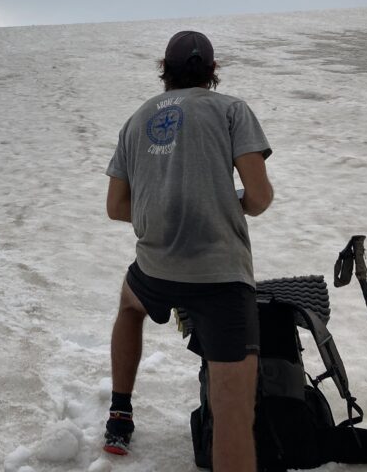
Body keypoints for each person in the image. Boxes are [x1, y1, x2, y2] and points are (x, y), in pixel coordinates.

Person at [103, 30, 273, 470]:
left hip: (155, 271)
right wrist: (225, 202)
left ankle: (120, 410)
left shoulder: (136, 120)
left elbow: (115, 207)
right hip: (221, 278)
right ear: (212, 71)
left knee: (129, 304)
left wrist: (155, 212)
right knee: (234, 415)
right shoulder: (232, 109)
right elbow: (259, 197)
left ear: (166, 71)